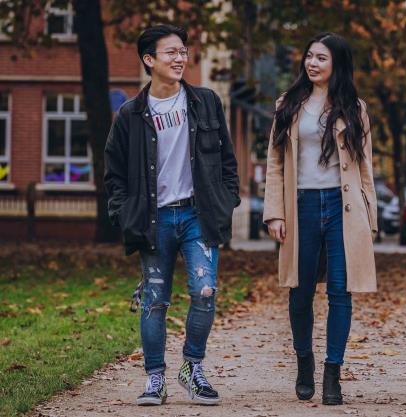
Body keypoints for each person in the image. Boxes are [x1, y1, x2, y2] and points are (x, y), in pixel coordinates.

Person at [104, 24, 240, 406]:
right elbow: (113, 173)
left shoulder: (206, 102)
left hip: (199, 215)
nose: (180, 58)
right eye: (171, 52)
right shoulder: (131, 114)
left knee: (205, 291)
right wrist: (123, 213)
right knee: (156, 299)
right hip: (154, 219)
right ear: (150, 60)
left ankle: (192, 367)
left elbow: (227, 160)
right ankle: (154, 378)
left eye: (183, 51)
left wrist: (226, 199)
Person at [263, 32, 377, 406]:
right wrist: (274, 213)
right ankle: (304, 362)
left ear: (336, 65)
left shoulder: (354, 108)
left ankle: (333, 374)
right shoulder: (288, 104)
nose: (312, 63)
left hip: (343, 207)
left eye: (321, 58)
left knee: (340, 292)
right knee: (300, 292)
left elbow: (365, 168)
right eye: (309, 57)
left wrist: (369, 219)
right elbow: (275, 163)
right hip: (301, 206)